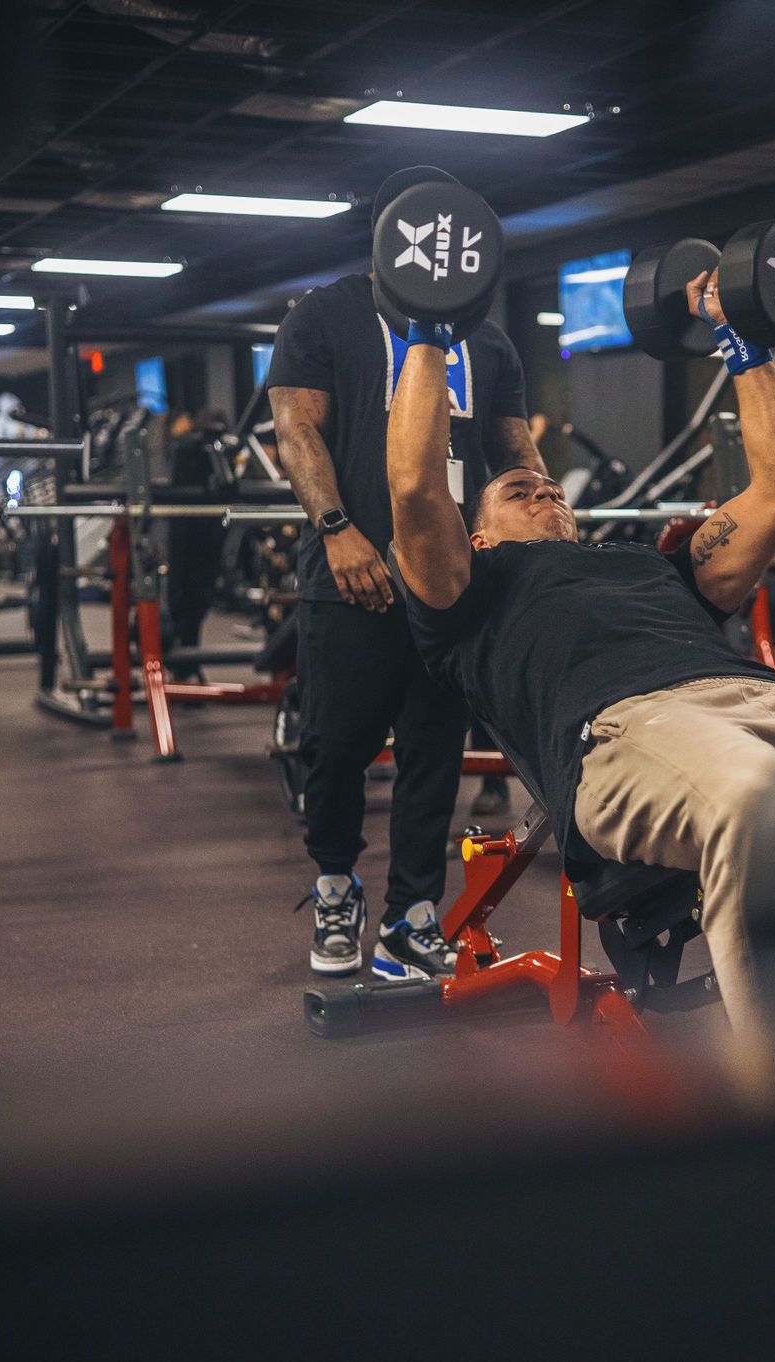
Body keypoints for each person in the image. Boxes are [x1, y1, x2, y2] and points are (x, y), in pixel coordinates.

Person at [386, 266, 775, 1033]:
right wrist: (427, 327)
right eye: (519, 491)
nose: (546, 493)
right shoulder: (470, 589)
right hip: (631, 731)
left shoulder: (648, 562)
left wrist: (740, 336)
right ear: (480, 532)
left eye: (552, 489)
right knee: (756, 802)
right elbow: (418, 490)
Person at [268, 165, 546, 981]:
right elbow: (297, 431)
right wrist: (336, 531)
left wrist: (540, 538)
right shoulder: (325, 314)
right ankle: (334, 884)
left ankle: (411, 914)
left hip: (453, 584)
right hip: (350, 575)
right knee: (336, 746)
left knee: (435, 752)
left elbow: (513, 449)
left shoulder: (487, 339)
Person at [166, 405, 231, 679]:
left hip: (208, 535)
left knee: (198, 602)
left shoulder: (221, 452)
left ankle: (188, 662)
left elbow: (226, 488)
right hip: (186, 535)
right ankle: (183, 662)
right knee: (183, 602)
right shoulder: (186, 450)